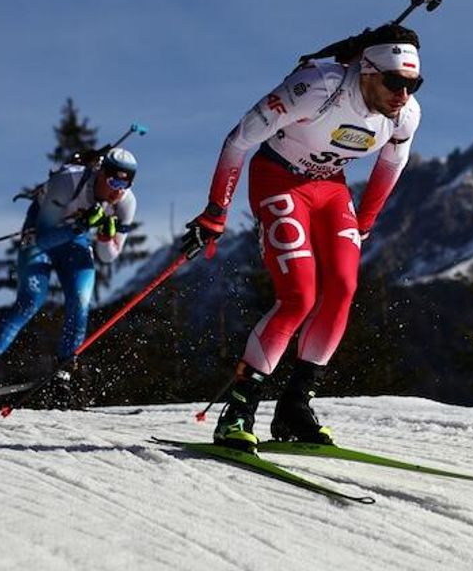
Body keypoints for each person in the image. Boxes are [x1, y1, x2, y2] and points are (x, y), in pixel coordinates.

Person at [182, 23, 424, 449]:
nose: (403, 94)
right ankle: (238, 411)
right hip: (278, 178)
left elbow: (392, 165)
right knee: (299, 295)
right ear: (367, 71)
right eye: (394, 82)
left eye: (413, 84)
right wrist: (216, 211)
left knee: (344, 288)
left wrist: (364, 221)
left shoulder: (405, 114)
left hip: (331, 189)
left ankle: (295, 407)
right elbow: (238, 141)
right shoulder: (317, 87)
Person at [0, 148, 139, 405]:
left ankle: (64, 373)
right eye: (114, 181)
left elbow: (108, 256)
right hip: (41, 236)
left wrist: (103, 237)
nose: (118, 190)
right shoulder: (68, 181)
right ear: (101, 174)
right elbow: (45, 238)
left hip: (74, 241)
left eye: (126, 183)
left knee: (80, 301)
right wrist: (82, 225)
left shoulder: (126, 203)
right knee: (31, 300)